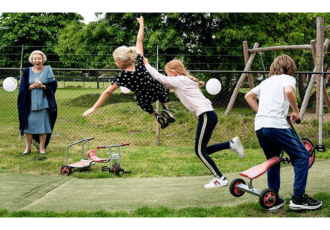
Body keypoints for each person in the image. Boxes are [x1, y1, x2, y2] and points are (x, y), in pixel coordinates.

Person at [143, 58, 245, 189]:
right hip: (208, 115)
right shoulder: (182, 81)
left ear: (173, 73)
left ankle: (220, 178)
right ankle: (231, 144)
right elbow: (160, 82)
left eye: (167, 72)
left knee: (199, 151)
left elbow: (160, 78)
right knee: (202, 150)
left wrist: (146, 64)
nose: (167, 75)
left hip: (206, 115)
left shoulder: (180, 80)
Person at [244, 54, 322, 212]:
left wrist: (262, 112)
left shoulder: (266, 82)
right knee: (302, 156)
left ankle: (274, 199)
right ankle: (298, 198)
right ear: (290, 68)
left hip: (260, 126)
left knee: (274, 160)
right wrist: (296, 111)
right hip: (275, 125)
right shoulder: (288, 79)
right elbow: (288, 92)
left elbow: (248, 96)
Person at [82, 16, 175, 129]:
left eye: (115, 61)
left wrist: (94, 108)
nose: (115, 63)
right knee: (161, 85)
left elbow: (107, 92)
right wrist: (141, 23)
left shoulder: (122, 76)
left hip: (144, 98)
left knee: (139, 101)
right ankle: (166, 109)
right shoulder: (139, 60)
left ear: (121, 62)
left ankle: (156, 115)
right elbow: (139, 40)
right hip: (155, 89)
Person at [18, 50, 58, 156]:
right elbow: (23, 87)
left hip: (44, 104)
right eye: (35, 59)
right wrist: (33, 86)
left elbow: (54, 85)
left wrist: (44, 86)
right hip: (29, 104)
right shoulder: (27, 71)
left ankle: (42, 149)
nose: (37, 60)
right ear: (32, 60)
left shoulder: (48, 69)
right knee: (28, 127)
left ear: (43, 59)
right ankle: (27, 148)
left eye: (39, 58)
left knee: (43, 127)